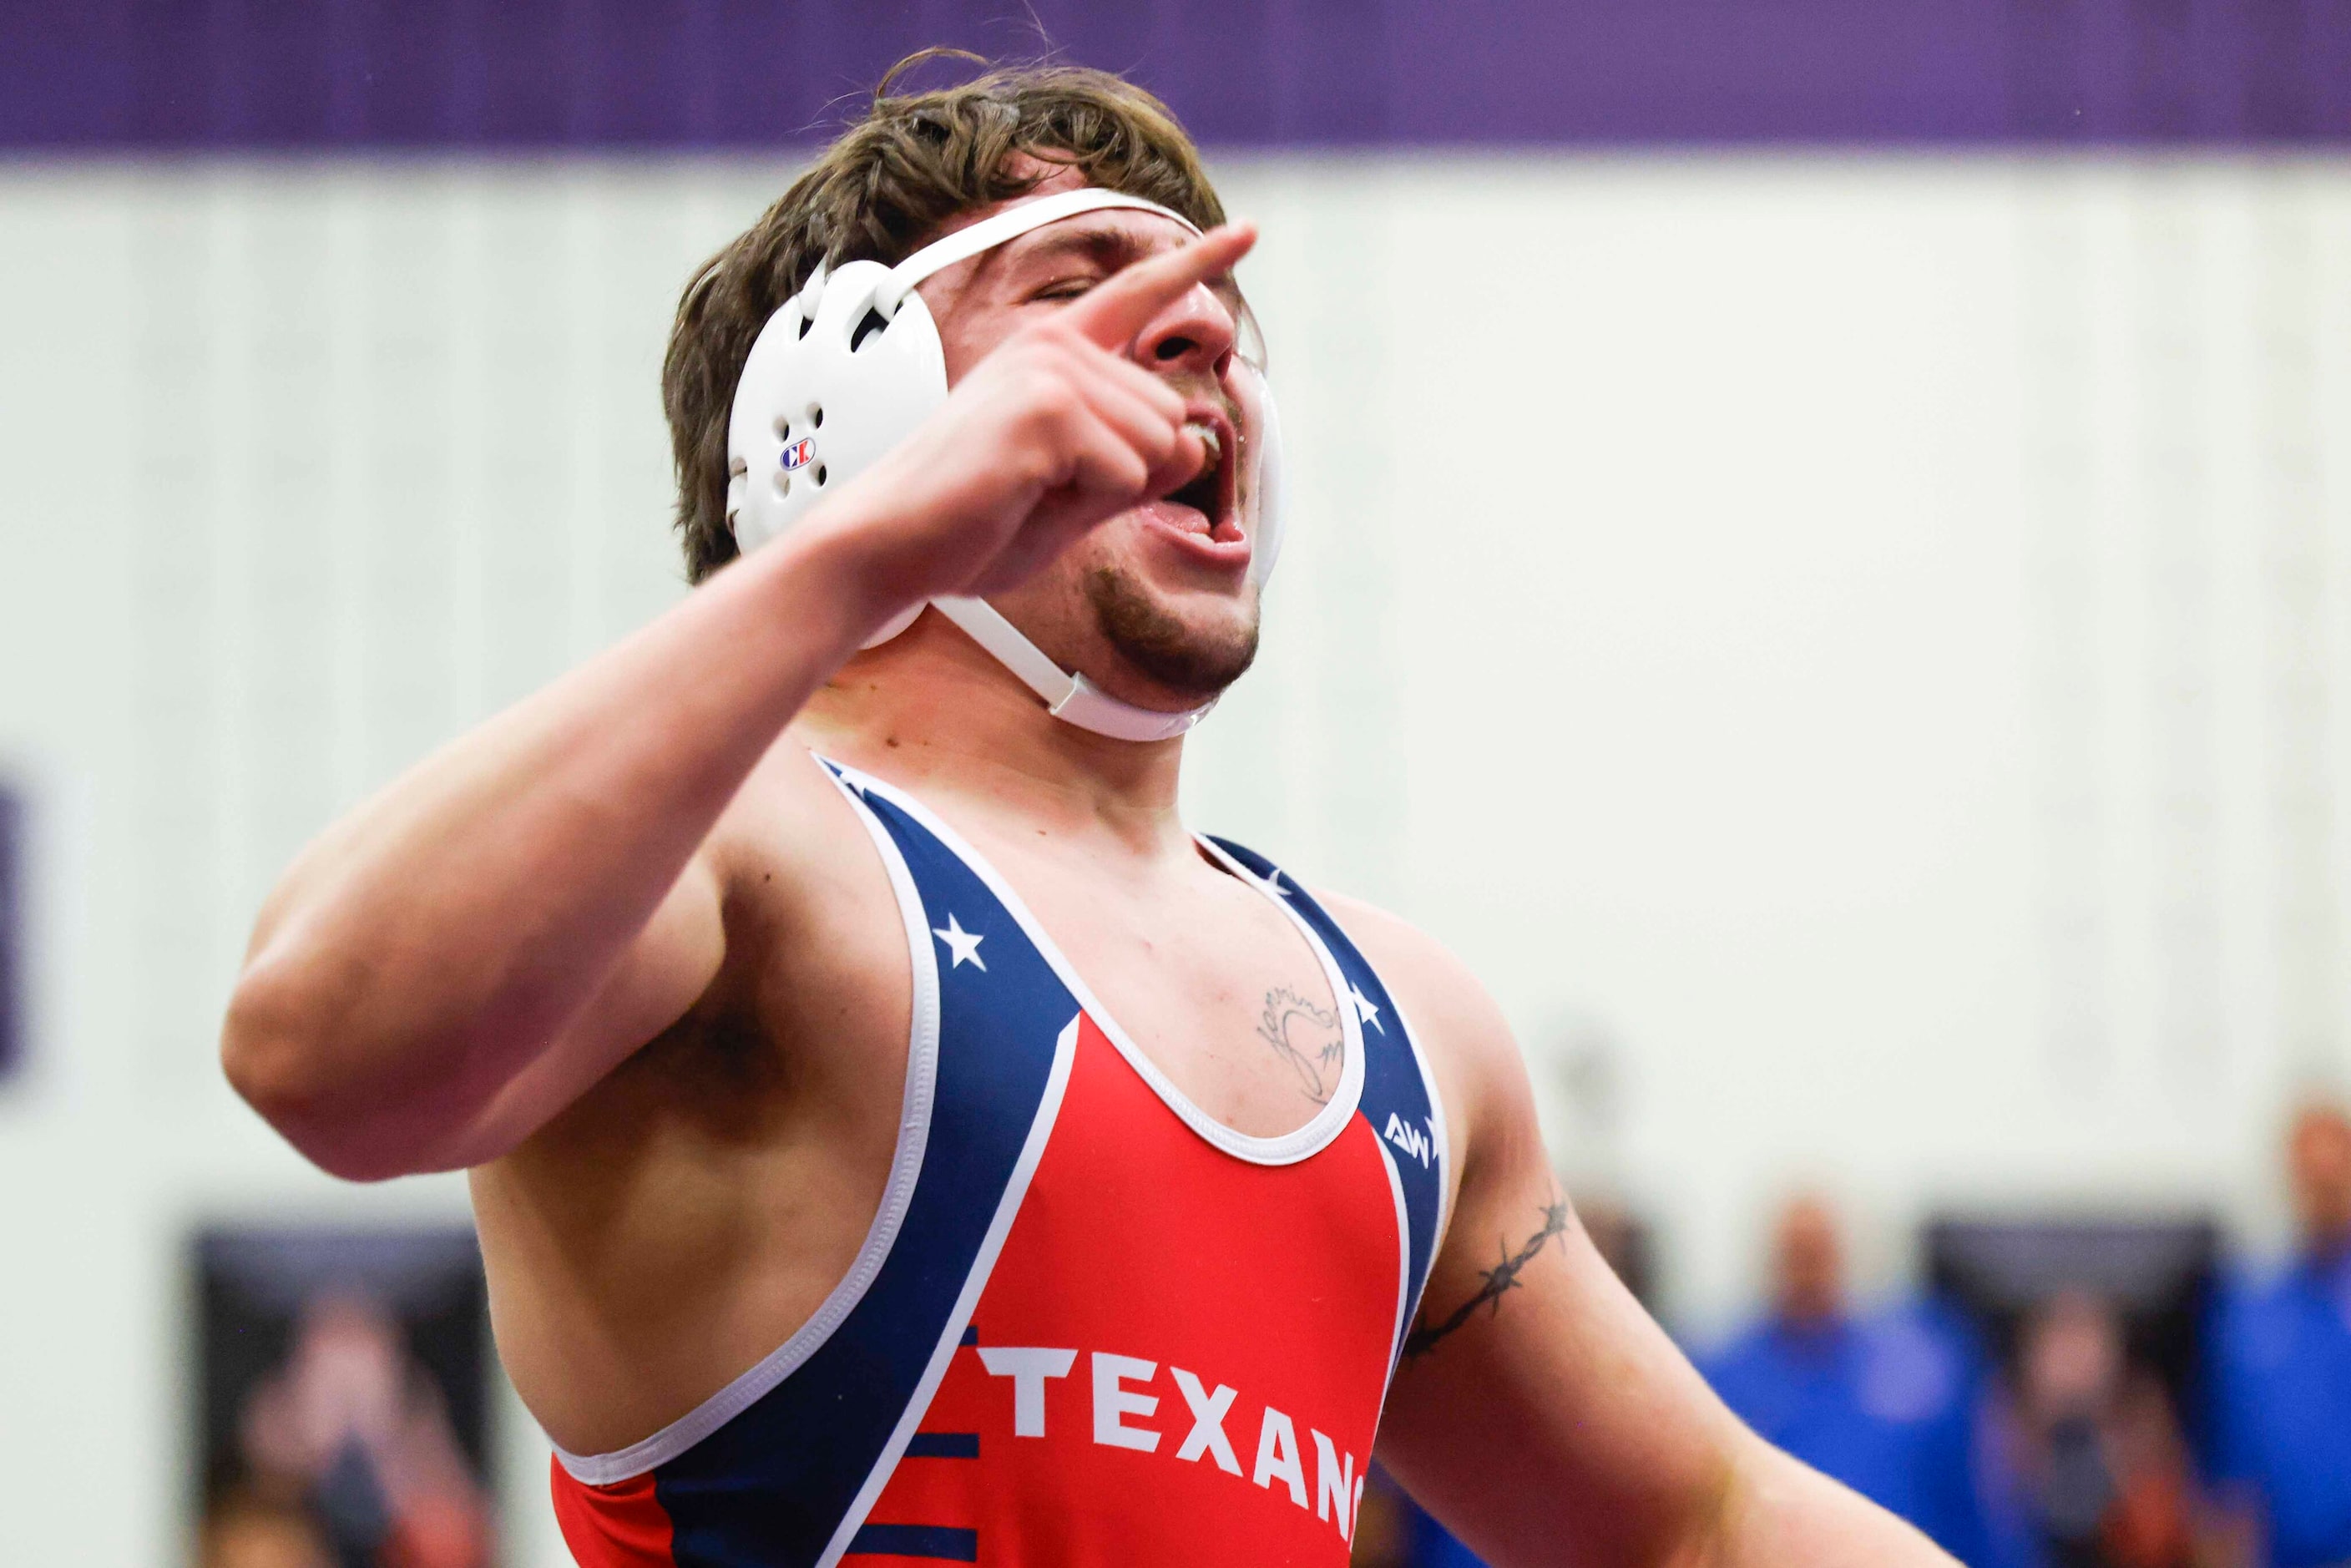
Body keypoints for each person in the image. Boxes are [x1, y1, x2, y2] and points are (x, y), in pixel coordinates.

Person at [220, 58, 1958, 1566]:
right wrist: (861, 545)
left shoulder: (1401, 1030)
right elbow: (320, 1048)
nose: (1204, 334)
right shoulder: (752, 869)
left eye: (1219, 319)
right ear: (850, 407)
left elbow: (1695, 1527)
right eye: (1090, 288)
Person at [1700, 1195, 1995, 1563]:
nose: (1808, 1272)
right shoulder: (1721, 1380)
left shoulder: (1920, 1375)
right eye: (1797, 1255)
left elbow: (1970, 1511)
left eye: (1818, 1253)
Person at [2206, 1097, 2351, 1568]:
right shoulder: (2250, 1312)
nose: (2322, 1192)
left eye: (2334, 1176)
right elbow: (2230, 1472)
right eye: (2310, 1177)